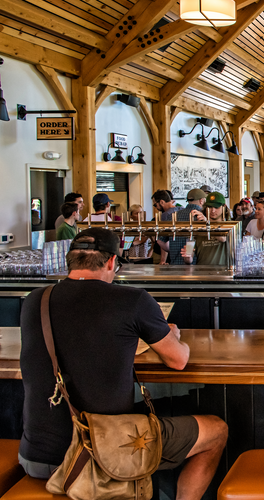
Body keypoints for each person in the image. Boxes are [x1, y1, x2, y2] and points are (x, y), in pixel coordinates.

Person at [18, 228, 228, 499]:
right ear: (111, 262)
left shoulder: (35, 300)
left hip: (36, 455)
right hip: (104, 453)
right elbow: (178, 360)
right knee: (216, 431)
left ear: (69, 261)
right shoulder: (133, 300)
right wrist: (174, 335)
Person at [182, 192, 232, 267]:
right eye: (210, 207)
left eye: (216, 207)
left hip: (223, 274)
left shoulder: (229, 225)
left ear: (224, 207)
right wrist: (187, 257)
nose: (213, 210)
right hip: (202, 274)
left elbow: (222, 238)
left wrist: (206, 223)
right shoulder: (199, 226)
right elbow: (189, 257)